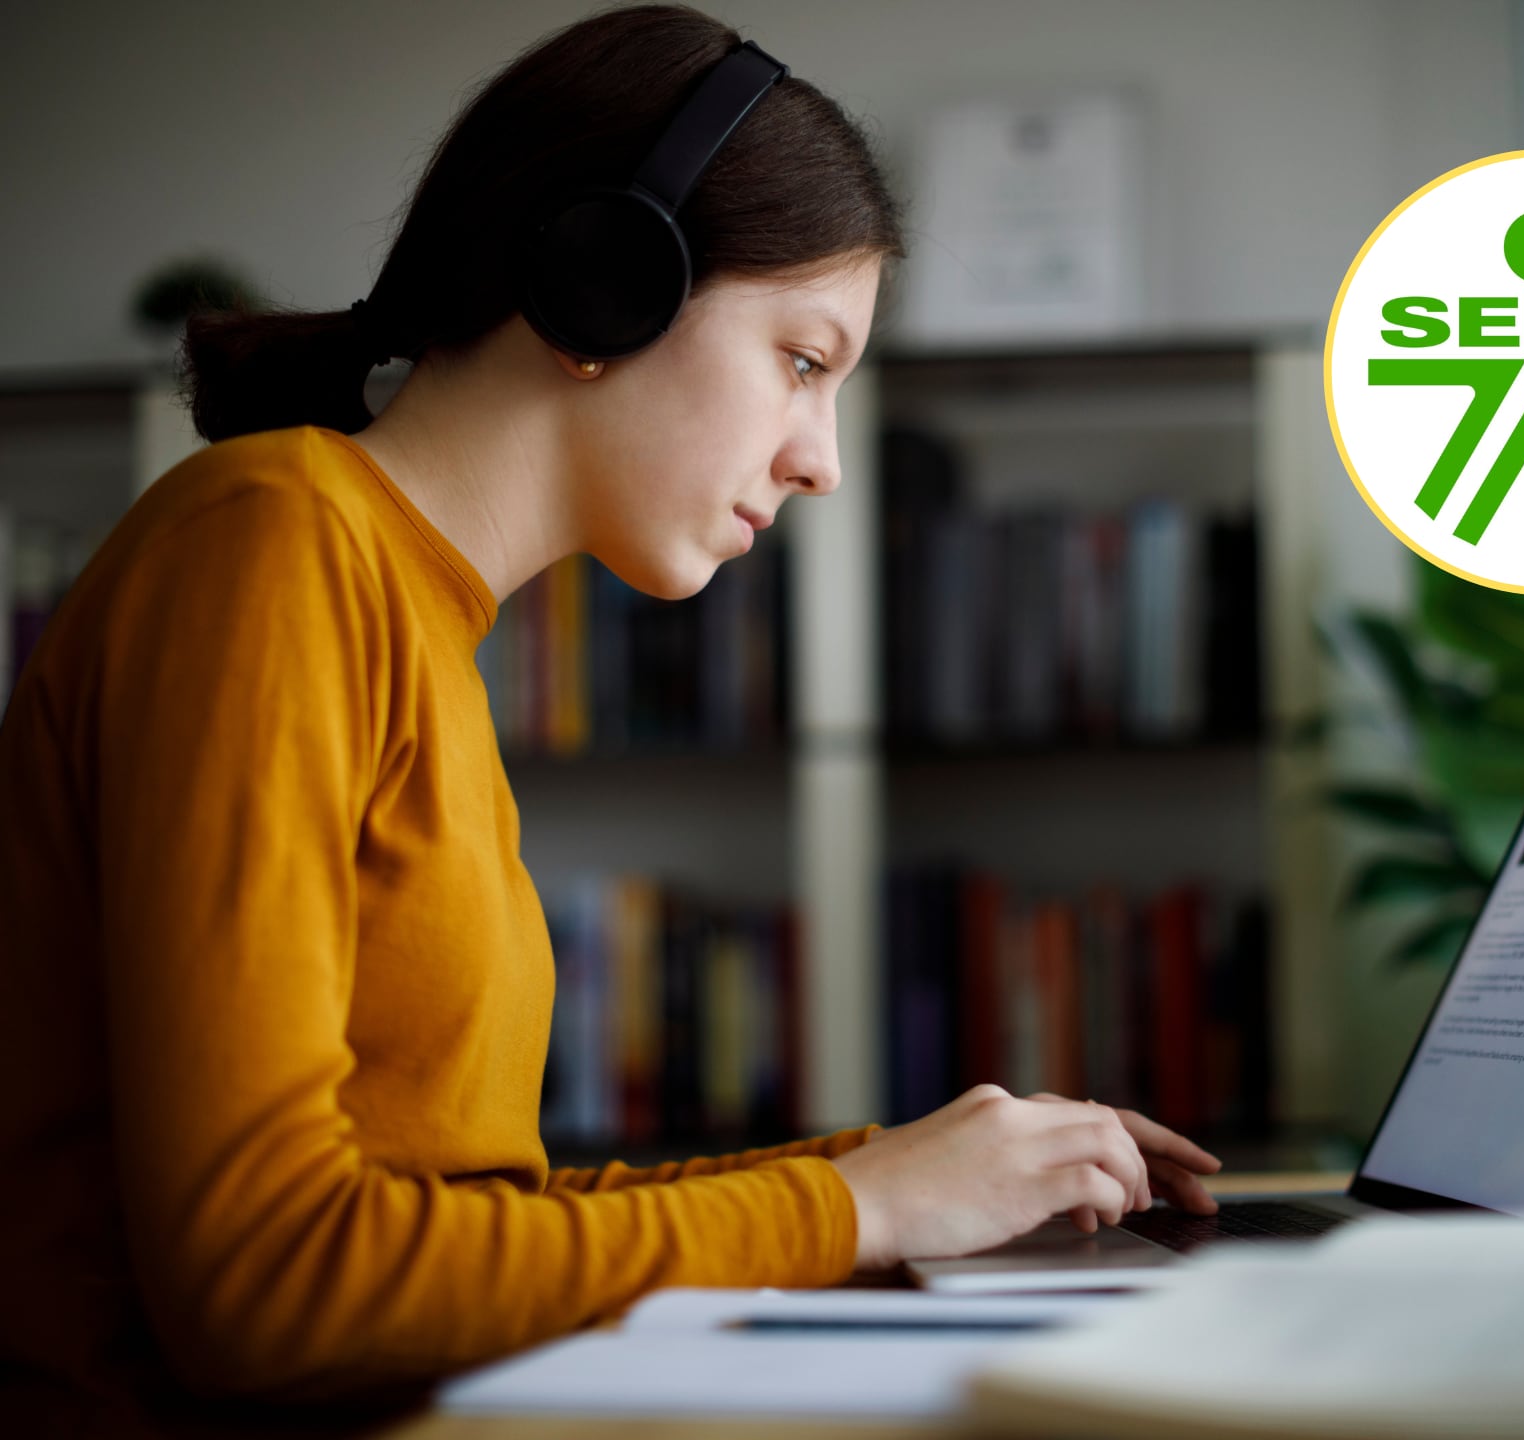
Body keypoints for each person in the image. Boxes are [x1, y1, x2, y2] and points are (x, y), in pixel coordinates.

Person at [0, 4, 1222, 1431]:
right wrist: (857, 1209)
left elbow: (467, 1223)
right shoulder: (276, 547)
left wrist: (894, 1177)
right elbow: (267, 1285)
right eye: (804, 361)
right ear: (606, 286)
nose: (822, 462)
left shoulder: (404, 610)